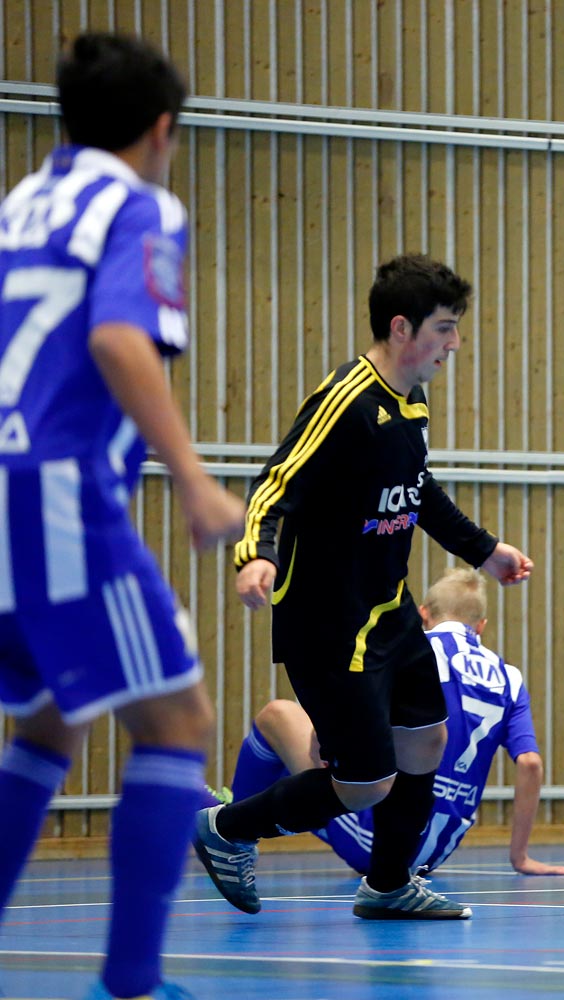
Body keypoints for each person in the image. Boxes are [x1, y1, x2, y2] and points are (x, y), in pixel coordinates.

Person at [0, 33, 246, 1000]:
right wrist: (193, 480)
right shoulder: (140, 205)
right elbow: (115, 336)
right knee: (179, 716)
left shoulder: (20, 203)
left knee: (50, 723)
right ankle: (135, 983)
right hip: (53, 489)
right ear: (161, 130)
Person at [190, 253, 534, 921]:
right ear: (402, 328)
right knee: (367, 781)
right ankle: (226, 829)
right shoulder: (346, 401)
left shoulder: (413, 401)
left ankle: (387, 885)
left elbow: (418, 491)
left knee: (425, 741)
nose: (454, 344)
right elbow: (274, 483)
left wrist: (485, 550)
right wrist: (253, 557)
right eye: (444, 328)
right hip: (327, 621)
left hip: (387, 608)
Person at [228, 567, 564, 879]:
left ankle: (233, 833)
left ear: (424, 614)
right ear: (482, 626)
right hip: (433, 853)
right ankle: (253, 814)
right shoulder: (510, 678)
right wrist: (520, 857)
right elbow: (530, 764)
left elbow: (345, 708)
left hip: (376, 839)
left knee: (279, 715)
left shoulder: (414, 654)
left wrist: (320, 747)